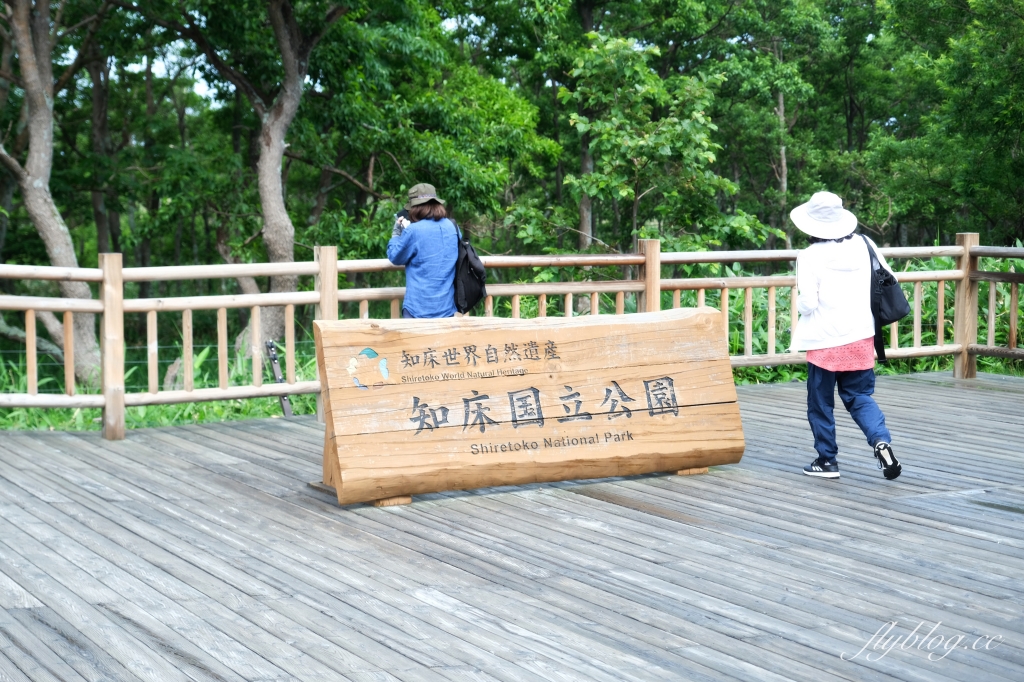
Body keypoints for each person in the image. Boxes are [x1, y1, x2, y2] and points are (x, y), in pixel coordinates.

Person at [790, 191, 902, 480]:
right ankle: (881, 441)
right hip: (861, 336)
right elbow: (890, 278)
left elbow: (808, 303)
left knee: (820, 402)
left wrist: (800, 303)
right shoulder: (865, 244)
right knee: (859, 396)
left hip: (825, 341)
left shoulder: (810, 255)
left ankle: (827, 461)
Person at [387, 183, 459, 318]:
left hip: (417, 310)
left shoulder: (413, 231)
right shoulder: (452, 226)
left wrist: (397, 232)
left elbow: (395, 256)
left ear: (416, 207)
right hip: (447, 309)